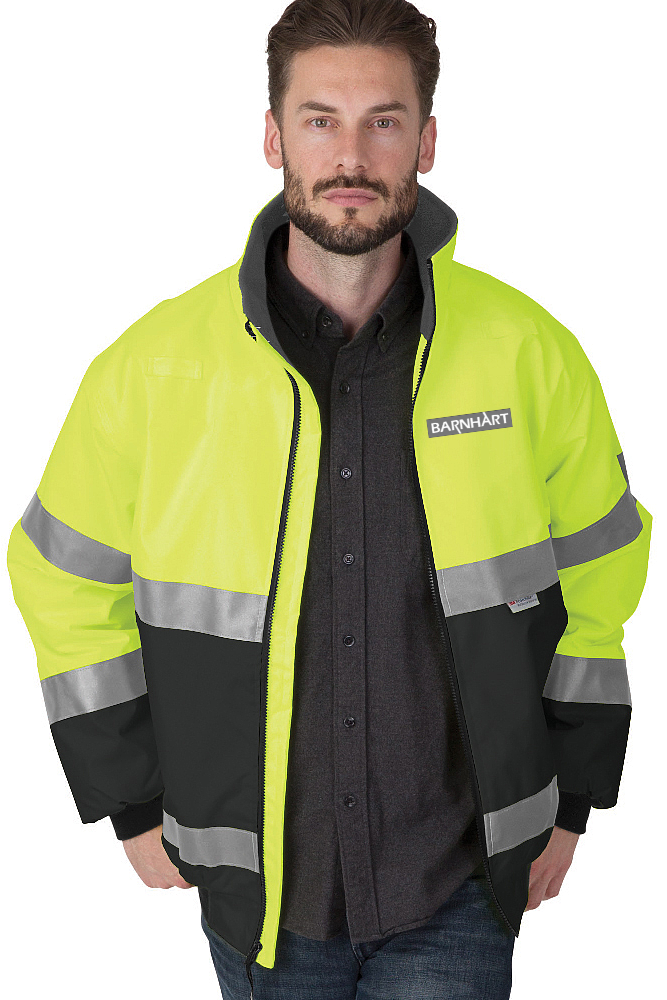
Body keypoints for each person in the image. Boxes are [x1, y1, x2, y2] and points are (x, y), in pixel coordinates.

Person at [6, 1, 652, 998]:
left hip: (457, 887)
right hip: (266, 898)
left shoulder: (529, 353)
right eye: (319, 120)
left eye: (383, 121)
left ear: (426, 141)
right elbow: (61, 578)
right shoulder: (152, 369)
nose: (350, 155)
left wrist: (573, 800)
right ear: (273, 137)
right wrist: (126, 798)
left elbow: (601, 582)